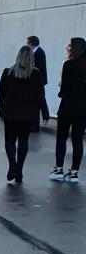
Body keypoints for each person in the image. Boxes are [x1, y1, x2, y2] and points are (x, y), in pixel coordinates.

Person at [0, 45, 44, 183]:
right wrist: (45, 112)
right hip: (27, 113)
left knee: (9, 140)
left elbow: (2, 94)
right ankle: (19, 169)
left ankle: (12, 165)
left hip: (10, 111)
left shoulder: (7, 72)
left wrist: (2, 108)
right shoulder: (36, 74)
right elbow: (39, 95)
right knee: (23, 141)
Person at [49, 37, 86, 183]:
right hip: (83, 109)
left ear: (74, 48)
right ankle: (74, 172)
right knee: (78, 140)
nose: (67, 48)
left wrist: (61, 89)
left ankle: (59, 169)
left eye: (70, 46)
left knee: (61, 138)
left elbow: (64, 89)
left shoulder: (69, 64)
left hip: (68, 106)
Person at [28, 35, 51, 128]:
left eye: (27, 43)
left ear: (31, 43)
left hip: (38, 81)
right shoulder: (36, 51)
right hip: (37, 80)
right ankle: (36, 121)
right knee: (38, 100)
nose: (27, 45)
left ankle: (46, 116)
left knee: (40, 99)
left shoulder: (39, 52)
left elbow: (39, 67)